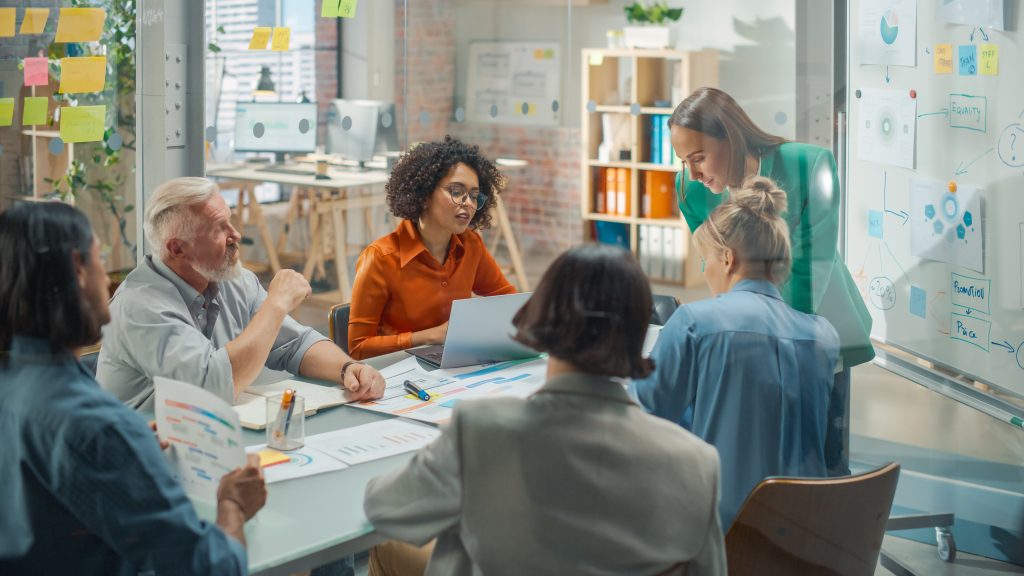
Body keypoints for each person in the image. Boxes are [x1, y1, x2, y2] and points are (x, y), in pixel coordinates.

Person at [364, 244, 726, 576]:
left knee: (396, 545)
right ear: (639, 335)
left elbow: (384, 507)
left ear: (543, 319)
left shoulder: (481, 429)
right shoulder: (697, 463)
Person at [0, 202, 267, 574]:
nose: (108, 278)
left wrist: (130, 452)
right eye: (98, 257)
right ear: (78, 270)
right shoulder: (99, 430)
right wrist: (233, 504)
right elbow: (211, 567)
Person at [668, 87, 873, 474]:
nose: (692, 173)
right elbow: (716, 268)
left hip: (817, 329)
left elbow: (810, 266)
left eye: (699, 158)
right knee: (760, 458)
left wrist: (761, 338)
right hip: (749, 337)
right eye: (684, 161)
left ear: (730, 136)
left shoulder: (810, 166)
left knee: (823, 460)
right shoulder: (691, 191)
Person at [631, 177, 841, 530]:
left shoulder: (694, 323)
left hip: (724, 538)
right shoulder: (823, 337)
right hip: (808, 542)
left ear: (727, 258)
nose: (704, 270)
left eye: (705, 259)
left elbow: (641, 418)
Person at [97, 177, 385, 411]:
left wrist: (347, 368)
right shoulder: (140, 306)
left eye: (230, 221)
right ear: (177, 248)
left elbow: (295, 345)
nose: (235, 235)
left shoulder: (232, 279)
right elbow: (211, 388)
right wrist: (276, 304)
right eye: (218, 229)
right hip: (142, 455)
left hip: (204, 437)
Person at [348, 136, 516, 359]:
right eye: (456, 192)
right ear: (424, 194)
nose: (468, 203)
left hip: (453, 366)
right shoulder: (380, 258)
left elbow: (509, 302)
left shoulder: (471, 245)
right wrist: (429, 337)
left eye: (475, 196)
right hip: (396, 376)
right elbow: (358, 349)